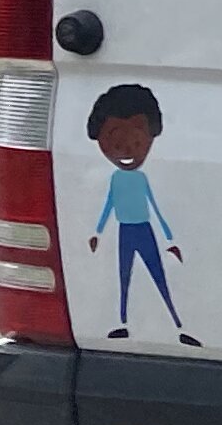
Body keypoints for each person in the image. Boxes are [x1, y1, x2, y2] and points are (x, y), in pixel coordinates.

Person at [83, 84, 197, 345]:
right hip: (126, 230)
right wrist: (97, 233)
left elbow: (155, 208)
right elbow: (108, 207)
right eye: (117, 143)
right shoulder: (115, 179)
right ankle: (122, 324)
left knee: (159, 276)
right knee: (124, 277)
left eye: (135, 142)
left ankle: (179, 324)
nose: (126, 150)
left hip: (144, 229)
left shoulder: (142, 178)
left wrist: (170, 241)